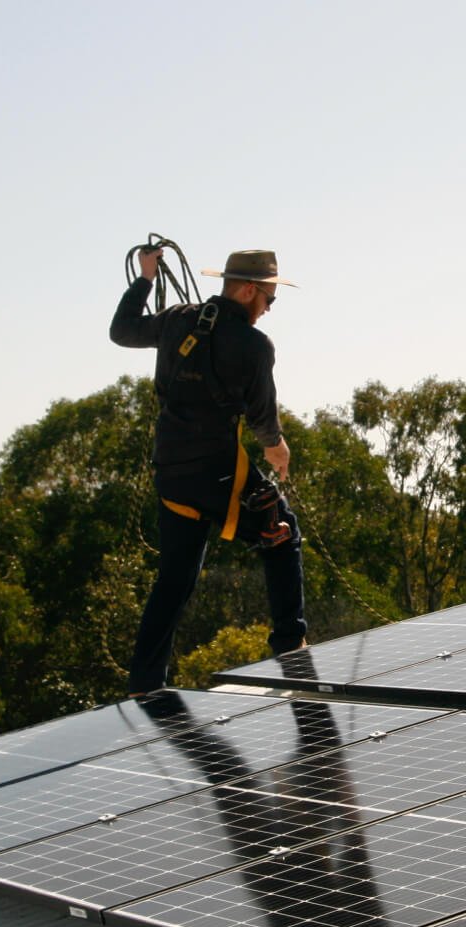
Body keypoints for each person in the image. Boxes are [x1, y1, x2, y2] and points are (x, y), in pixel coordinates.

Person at [110, 248, 307, 694]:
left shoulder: (179, 319)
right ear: (249, 289)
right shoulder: (255, 345)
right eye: (269, 298)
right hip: (215, 470)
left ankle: (145, 681)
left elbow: (122, 332)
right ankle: (291, 648)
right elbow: (261, 416)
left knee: (176, 577)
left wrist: (145, 279)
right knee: (280, 532)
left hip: (171, 471)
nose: (270, 308)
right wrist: (277, 451)